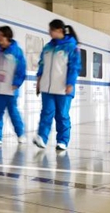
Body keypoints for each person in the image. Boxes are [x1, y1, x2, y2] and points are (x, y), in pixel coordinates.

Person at [34, 19, 81, 151]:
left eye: (51, 30)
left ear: (59, 30)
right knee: (46, 112)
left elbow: (75, 67)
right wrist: (38, 82)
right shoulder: (48, 47)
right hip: (47, 87)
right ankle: (42, 138)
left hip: (63, 88)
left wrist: (70, 83)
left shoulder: (72, 47)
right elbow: (41, 65)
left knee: (62, 115)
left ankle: (63, 141)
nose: (49, 32)